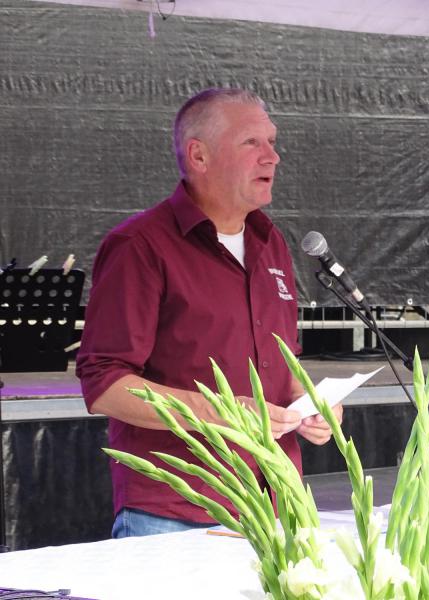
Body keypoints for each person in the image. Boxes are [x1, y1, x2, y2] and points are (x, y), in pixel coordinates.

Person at [76, 88, 343, 538]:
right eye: (251, 143)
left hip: (277, 504)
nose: (272, 157)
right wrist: (217, 411)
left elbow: (280, 361)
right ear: (199, 155)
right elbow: (104, 384)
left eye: (273, 142)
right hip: (176, 514)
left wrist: (311, 403)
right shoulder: (140, 246)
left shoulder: (270, 242)